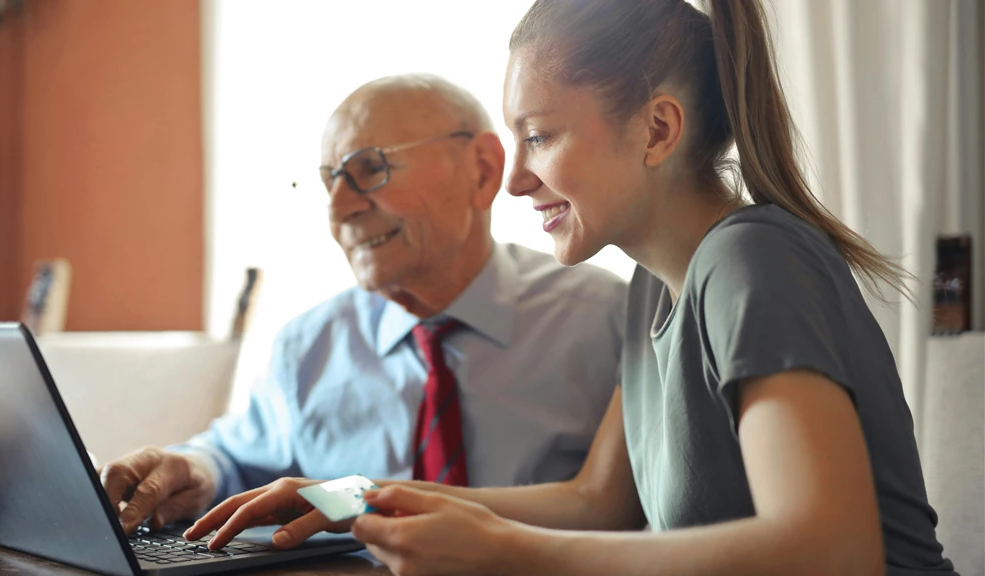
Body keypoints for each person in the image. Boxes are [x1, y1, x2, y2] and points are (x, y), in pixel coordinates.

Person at [184, 1, 959, 575]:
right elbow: (599, 501)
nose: (516, 180)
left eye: (540, 136)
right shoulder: (656, 287)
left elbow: (833, 549)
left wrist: (504, 552)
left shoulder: (752, 262)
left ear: (658, 130)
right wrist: (348, 497)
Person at [98, 74, 627, 536]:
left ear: (483, 170)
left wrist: (349, 499)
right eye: (330, 181)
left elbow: (625, 511)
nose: (339, 210)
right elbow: (236, 457)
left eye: (368, 169)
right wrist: (193, 469)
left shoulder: (606, 319)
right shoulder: (309, 344)